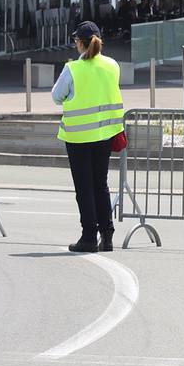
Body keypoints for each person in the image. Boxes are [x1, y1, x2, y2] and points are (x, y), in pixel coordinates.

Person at [51, 21, 126, 253]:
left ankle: (88, 236)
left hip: (78, 137)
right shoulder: (113, 65)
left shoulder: (73, 68)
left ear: (79, 42)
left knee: (84, 188)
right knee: (100, 185)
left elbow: (56, 96)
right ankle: (107, 235)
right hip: (105, 134)